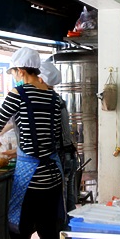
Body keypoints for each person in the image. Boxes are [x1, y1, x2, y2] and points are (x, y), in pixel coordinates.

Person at [0, 47, 64, 239]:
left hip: (31, 178)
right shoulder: (54, 98)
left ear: (20, 71)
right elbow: (56, 136)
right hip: (53, 175)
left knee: (19, 236)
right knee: (49, 237)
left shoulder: (17, 94)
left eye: (14, 72)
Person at [39, 60, 79, 214]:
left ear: (41, 79)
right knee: (68, 200)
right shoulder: (57, 99)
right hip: (69, 154)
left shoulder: (49, 101)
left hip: (62, 156)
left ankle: (64, 227)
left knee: (62, 201)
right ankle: (69, 227)